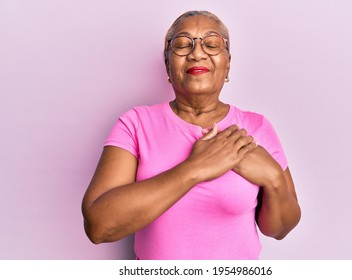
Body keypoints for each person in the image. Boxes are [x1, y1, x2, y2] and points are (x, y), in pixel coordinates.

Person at [82, 10, 301, 260]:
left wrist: (274, 178)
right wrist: (196, 168)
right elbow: (99, 227)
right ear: (167, 64)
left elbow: (280, 229)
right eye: (183, 45)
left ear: (228, 62)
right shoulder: (135, 124)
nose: (197, 53)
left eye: (211, 43)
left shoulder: (256, 127)